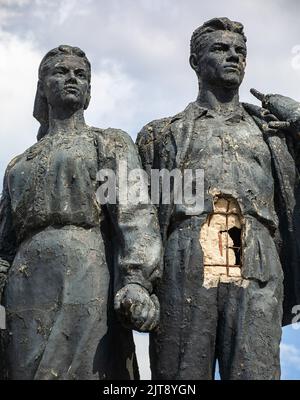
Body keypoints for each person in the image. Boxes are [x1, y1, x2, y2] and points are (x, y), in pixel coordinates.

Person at [137, 17, 300, 380]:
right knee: (181, 371)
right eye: (221, 49)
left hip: (256, 246)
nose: (233, 57)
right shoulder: (160, 134)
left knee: (256, 369)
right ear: (196, 61)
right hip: (187, 247)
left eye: (240, 51)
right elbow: (140, 217)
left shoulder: (272, 132)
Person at [0, 45, 162, 380]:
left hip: (86, 274)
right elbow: (4, 246)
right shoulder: (17, 166)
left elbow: (135, 216)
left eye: (81, 74)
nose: (72, 78)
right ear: (43, 87)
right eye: (61, 71)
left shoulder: (108, 142)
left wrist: (136, 281)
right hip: (25, 287)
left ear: (88, 90)